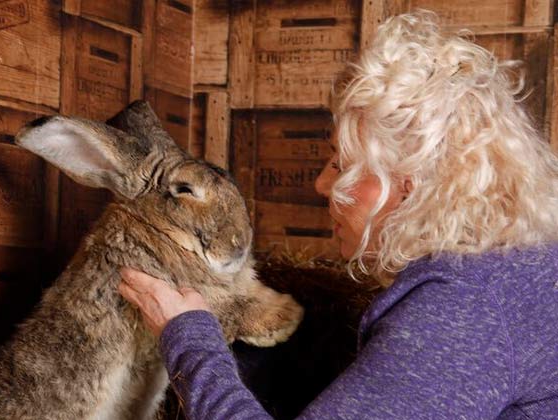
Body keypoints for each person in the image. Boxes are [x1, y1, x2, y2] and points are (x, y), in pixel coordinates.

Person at [118, 11, 558, 420]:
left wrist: (187, 335)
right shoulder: (525, 264)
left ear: (411, 182)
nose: (322, 184)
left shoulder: (461, 310)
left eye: (342, 165)